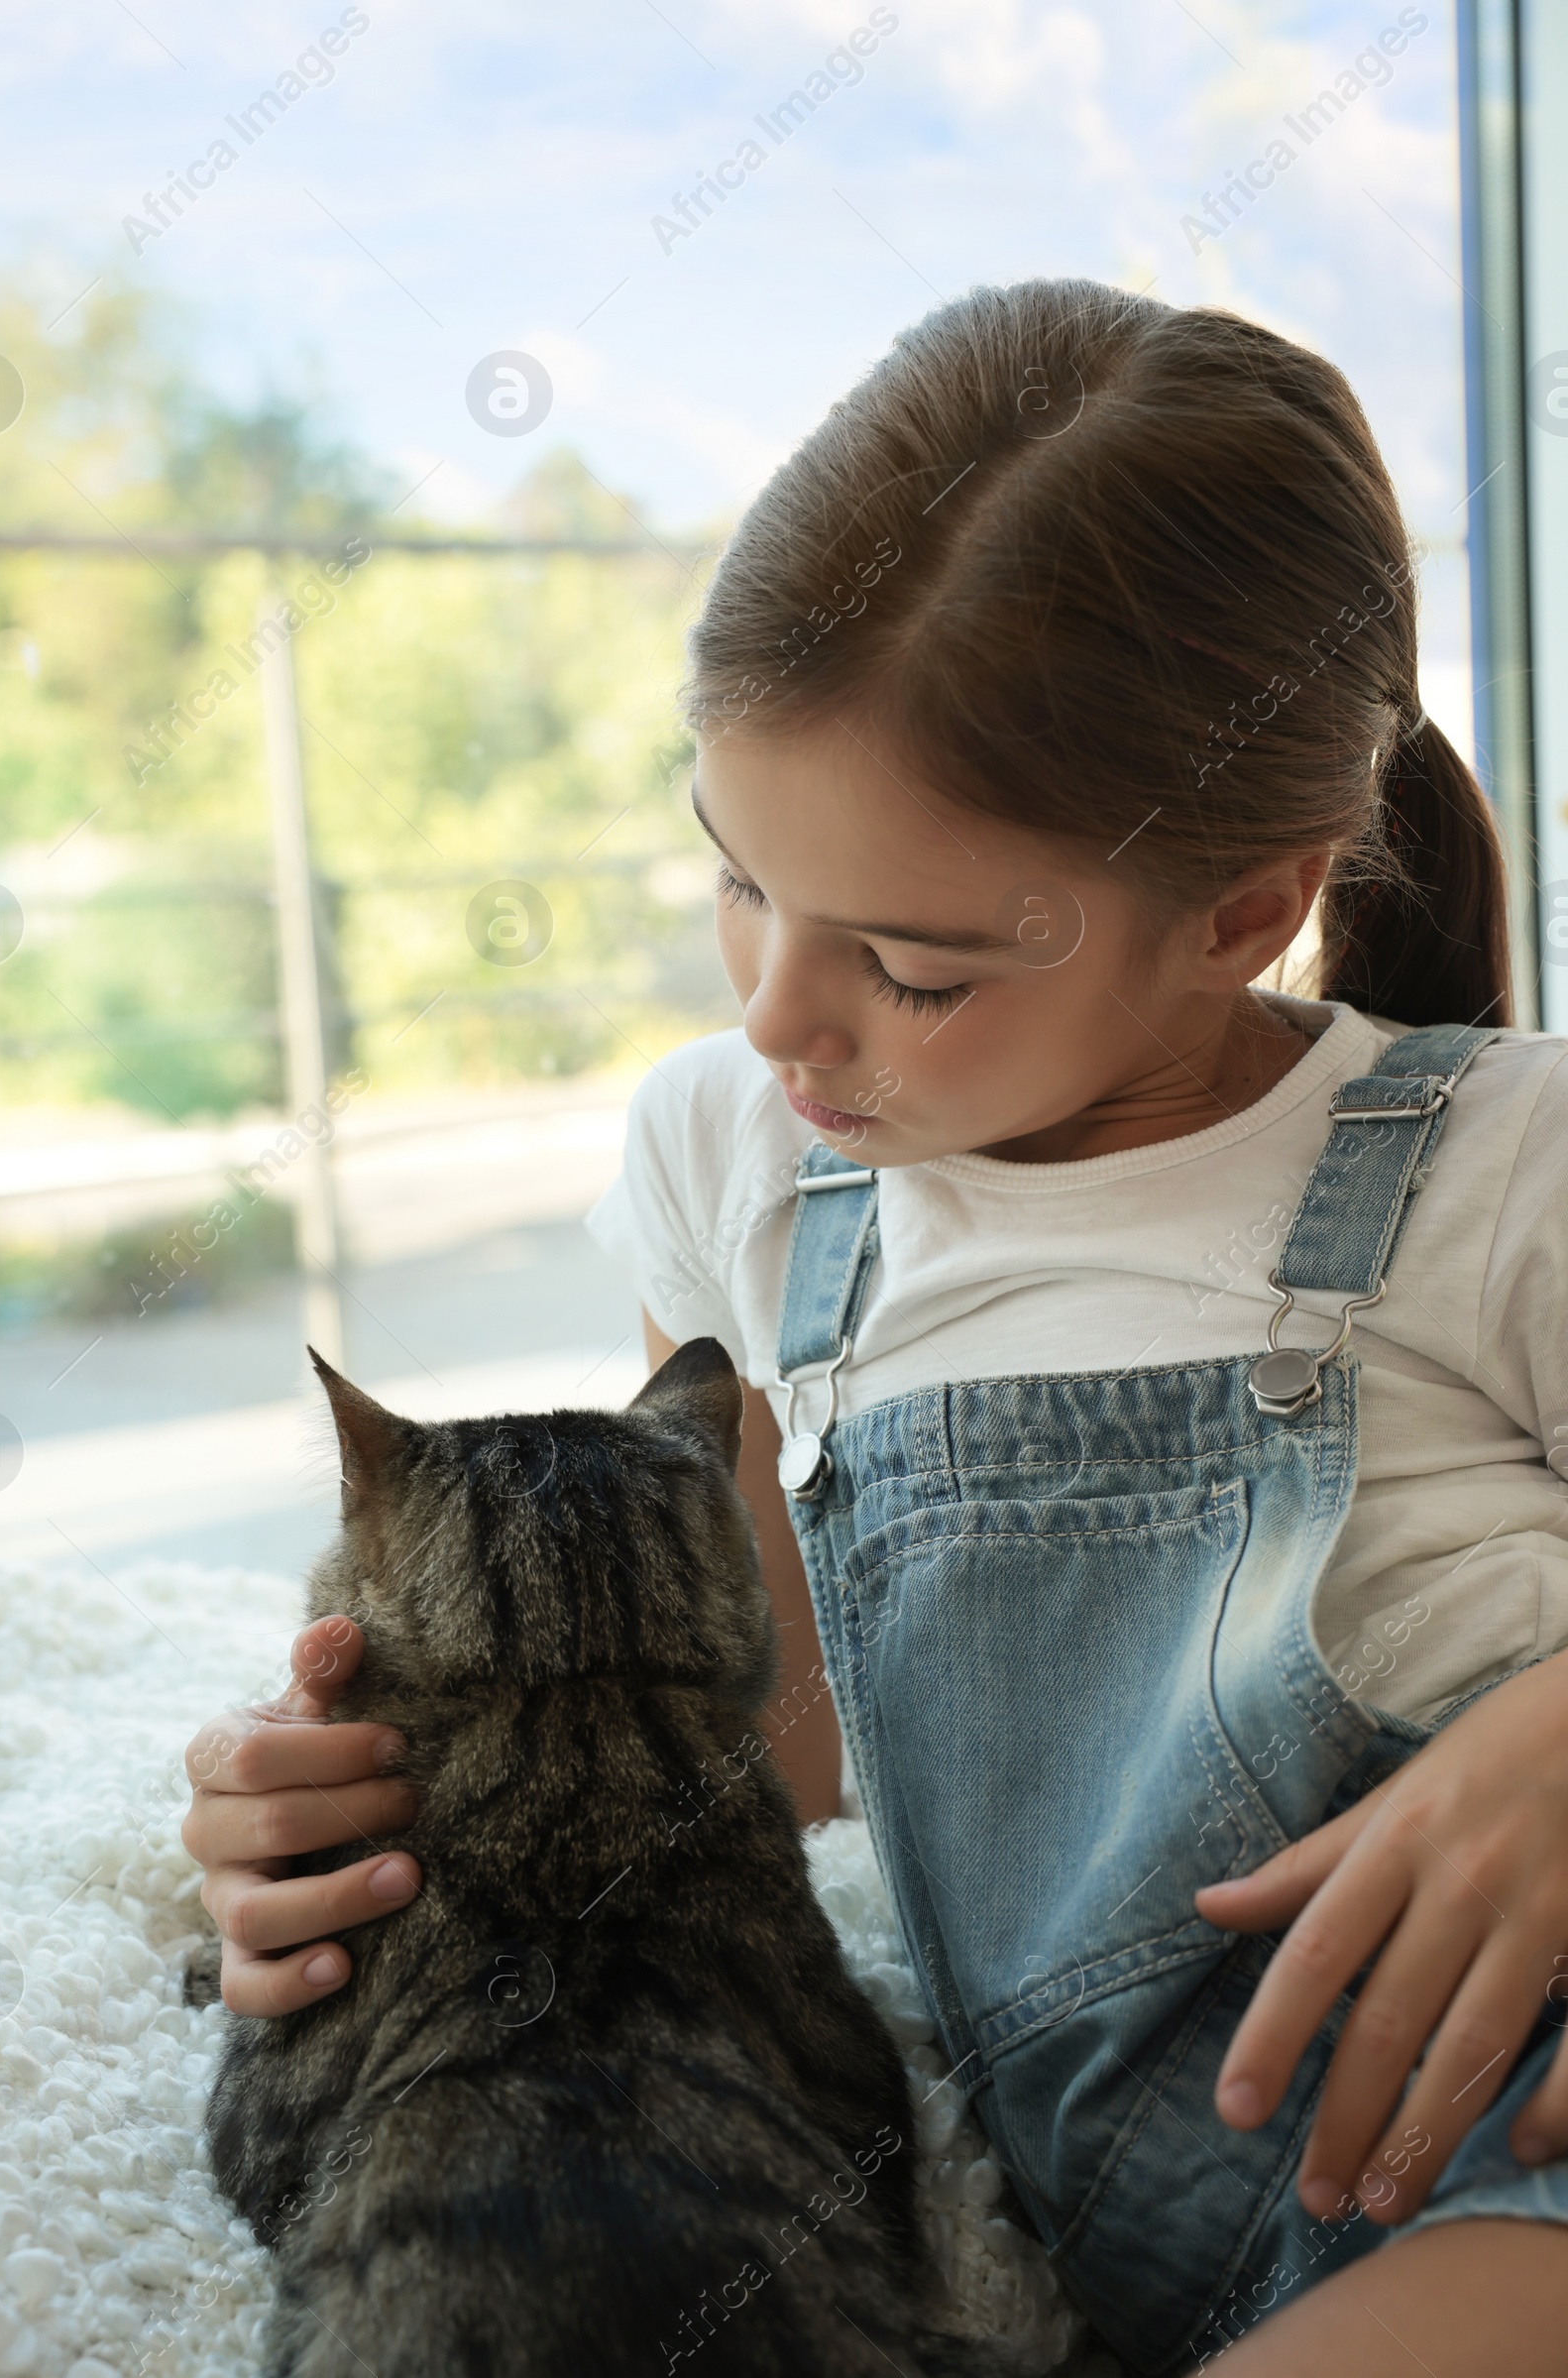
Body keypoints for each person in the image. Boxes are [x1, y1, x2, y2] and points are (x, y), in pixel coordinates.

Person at [182, 281, 1568, 2374]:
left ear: (1238, 908)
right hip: (1150, 2217)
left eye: (909, 969)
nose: (771, 1018)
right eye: (738, 880)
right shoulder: (737, 1167)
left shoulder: (1499, 1161)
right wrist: (346, 1827)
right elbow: (771, 1758)